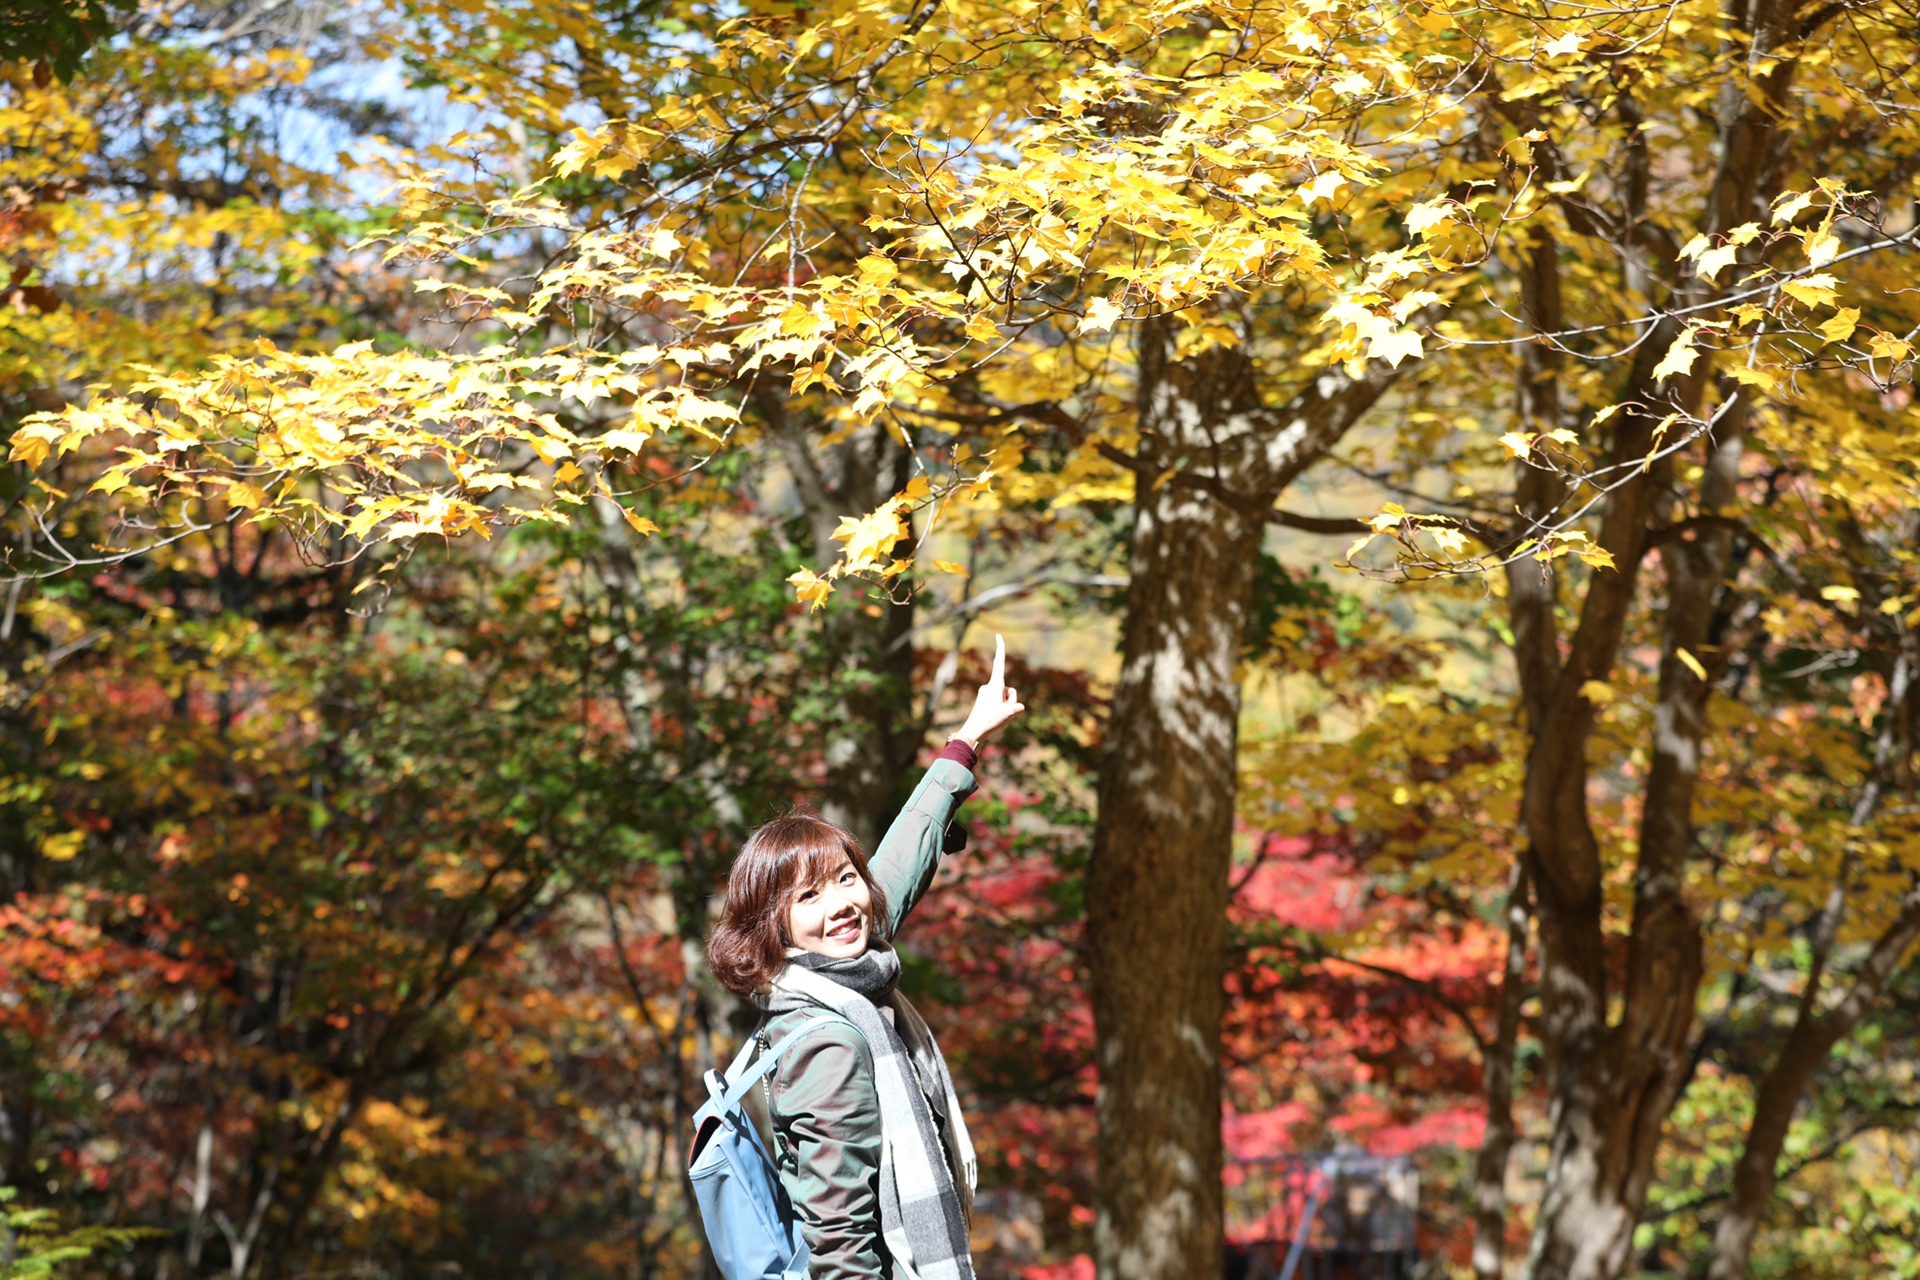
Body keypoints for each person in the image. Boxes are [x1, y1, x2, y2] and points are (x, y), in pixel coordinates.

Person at [706, 636, 1026, 1280]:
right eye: (809, 896)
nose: (841, 906)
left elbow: (900, 862)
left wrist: (966, 740)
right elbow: (839, 1244)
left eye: (847, 879)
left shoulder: (829, 978)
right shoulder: (831, 1042)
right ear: (777, 922)